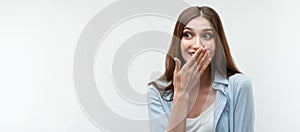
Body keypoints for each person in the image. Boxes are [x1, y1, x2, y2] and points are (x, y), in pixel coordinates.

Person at [147, 6, 254, 132]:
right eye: (187, 35)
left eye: (207, 35)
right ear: (178, 41)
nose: (197, 45)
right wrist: (181, 96)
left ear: (217, 43)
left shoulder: (239, 86)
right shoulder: (157, 92)